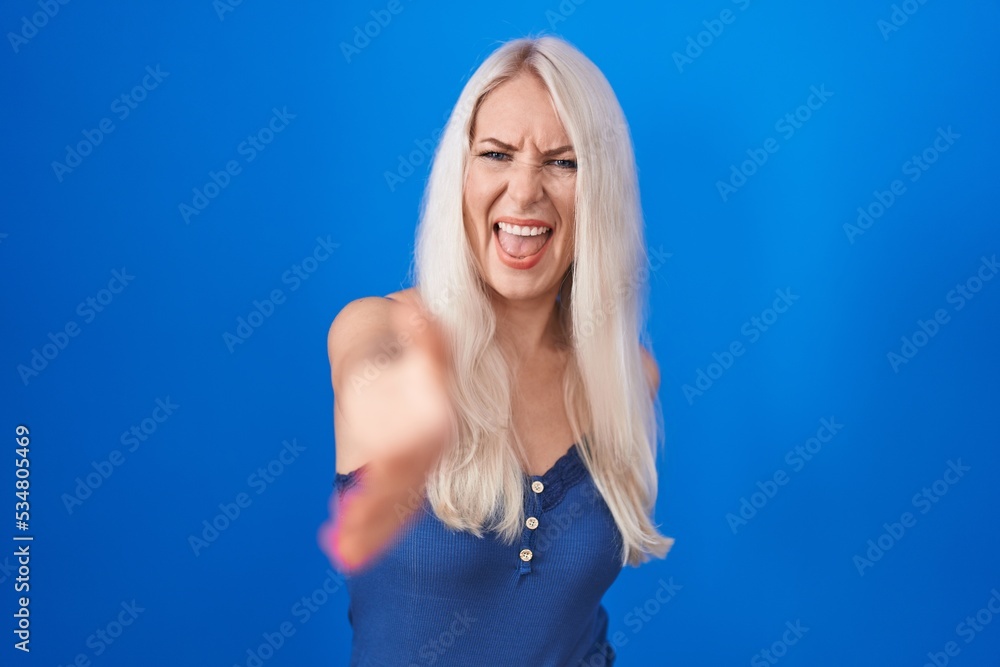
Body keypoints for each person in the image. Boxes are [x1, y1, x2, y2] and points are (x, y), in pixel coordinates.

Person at [318, 35, 675, 666]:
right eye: (497, 154)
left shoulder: (626, 376)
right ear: (460, 173)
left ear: (600, 194)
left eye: (563, 163)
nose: (524, 191)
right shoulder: (377, 329)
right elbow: (366, 377)